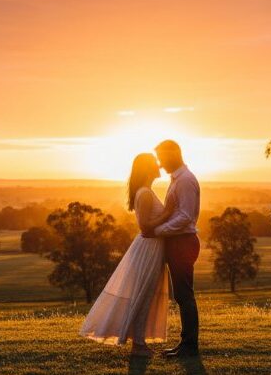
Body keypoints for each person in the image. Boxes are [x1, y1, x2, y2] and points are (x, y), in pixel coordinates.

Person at [79, 153, 176, 356]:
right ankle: (138, 345)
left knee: (145, 295)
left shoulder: (145, 191)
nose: (159, 165)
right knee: (142, 295)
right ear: (147, 169)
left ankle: (139, 342)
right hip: (148, 249)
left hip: (152, 249)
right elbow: (146, 228)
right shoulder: (145, 193)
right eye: (155, 163)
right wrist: (168, 213)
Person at [142, 139, 201, 358]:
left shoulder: (184, 180)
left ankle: (189, 346)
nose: (160, 163)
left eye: (162, 158)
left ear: (174, 154)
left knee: (185, 295)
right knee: (182, 295)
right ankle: (185, 344)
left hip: (183, 242)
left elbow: (185, 217)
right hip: (178, 241)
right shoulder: (178, 179)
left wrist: (157, 231)